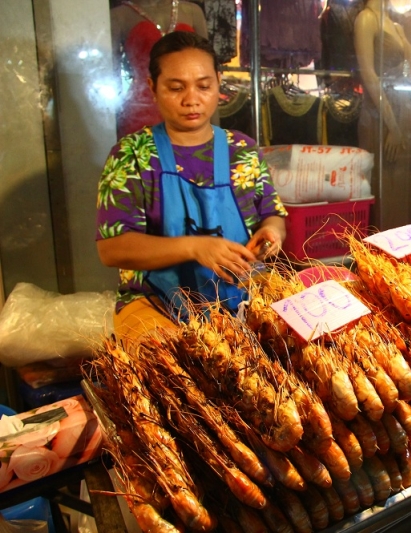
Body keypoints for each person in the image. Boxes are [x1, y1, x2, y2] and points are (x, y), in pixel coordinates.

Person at [96, 31, 287, 342]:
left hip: (244, 295)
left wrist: (272, 233)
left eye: (204, 86)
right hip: (155, 302)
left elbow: (272, 214)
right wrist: (195, 247)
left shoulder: (243, 149)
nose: (192, 99)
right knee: (180, 372)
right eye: (175, 87)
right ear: (152, 88)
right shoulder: (133, 155)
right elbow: (112, 248)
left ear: (218, 82)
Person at [354, 0, 411, 229]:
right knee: (386, 184)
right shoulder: (366, 19)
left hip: (403, 110)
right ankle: (382, 255)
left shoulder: (396, 26)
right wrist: (392, 125)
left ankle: (408, 253)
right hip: (380, 114)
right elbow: (369, 74)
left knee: (405, 184)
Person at [110, 0, 208, 139]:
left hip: (189, 102)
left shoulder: (192, 12)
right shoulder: (120, 15)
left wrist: (215, 126)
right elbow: (110, 72)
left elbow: (207, 69)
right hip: (142, 106)